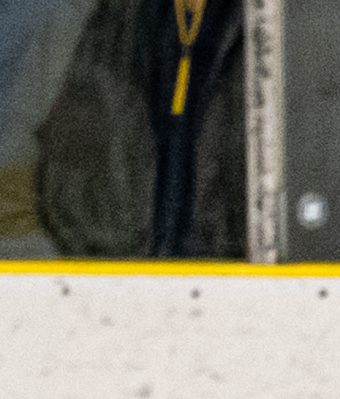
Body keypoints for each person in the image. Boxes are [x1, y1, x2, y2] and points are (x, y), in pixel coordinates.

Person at [30, 0, 244, 257]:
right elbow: (67, 177)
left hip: (243, 285)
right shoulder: (113, 23)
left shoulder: (280, 26)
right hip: (116, 280)